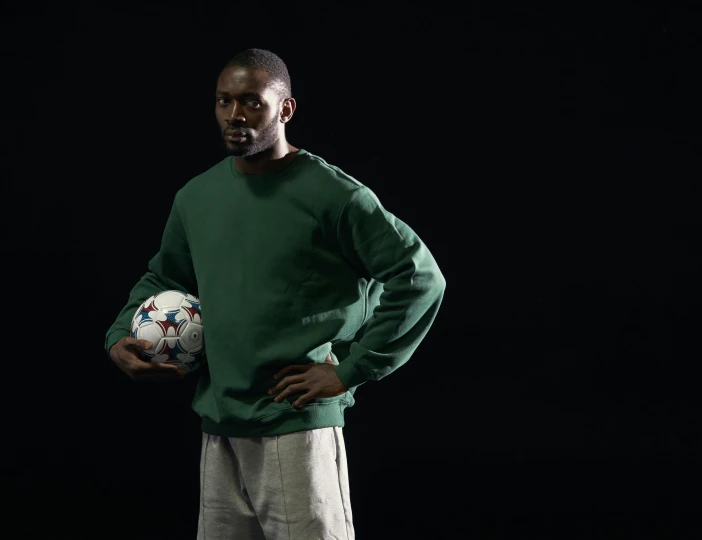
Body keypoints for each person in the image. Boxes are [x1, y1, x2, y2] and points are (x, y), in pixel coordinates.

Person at [104, 48, 446, 540]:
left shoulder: (334, 195)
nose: (235, 115)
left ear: (285, 109)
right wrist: (120, 335)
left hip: (297, 425)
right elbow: (163, 279)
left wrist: (350, 371)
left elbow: (420, 278)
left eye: (251, 102)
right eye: (224, 102)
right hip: (220, 421)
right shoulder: (196, 197)